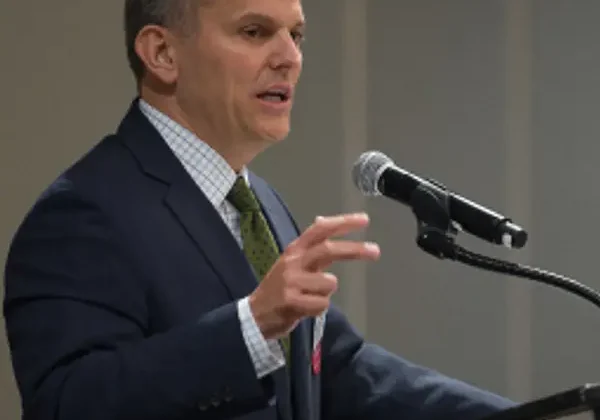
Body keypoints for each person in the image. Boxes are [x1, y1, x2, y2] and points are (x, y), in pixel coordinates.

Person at [3, 0, 517, 419]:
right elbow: (65, 404)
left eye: (297, 35)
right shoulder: (82, 213)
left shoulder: (261, 202)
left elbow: (339, 370)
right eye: (254, 31)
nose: (289, 57)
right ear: (162, 53)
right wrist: (249, 326)